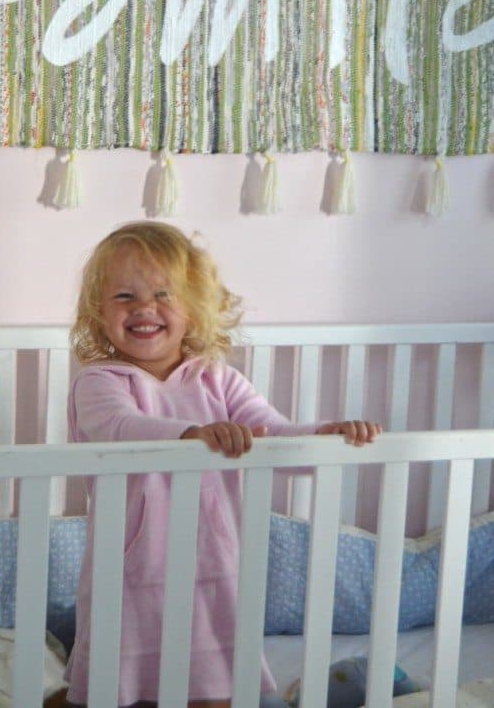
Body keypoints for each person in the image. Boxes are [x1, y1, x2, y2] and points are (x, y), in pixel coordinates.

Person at [64, 222, 381, 708]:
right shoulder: (101, 381)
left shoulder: (218, 380)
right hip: (130, 569)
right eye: (124, 296)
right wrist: (191, 434)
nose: (144, 308)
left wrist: (326, 435)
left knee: (215, 685)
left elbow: (271, 433)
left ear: (192, 310)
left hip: (214, 566)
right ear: (99, 314)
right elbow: (121, 428)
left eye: (163, 294)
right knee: (121, 684)